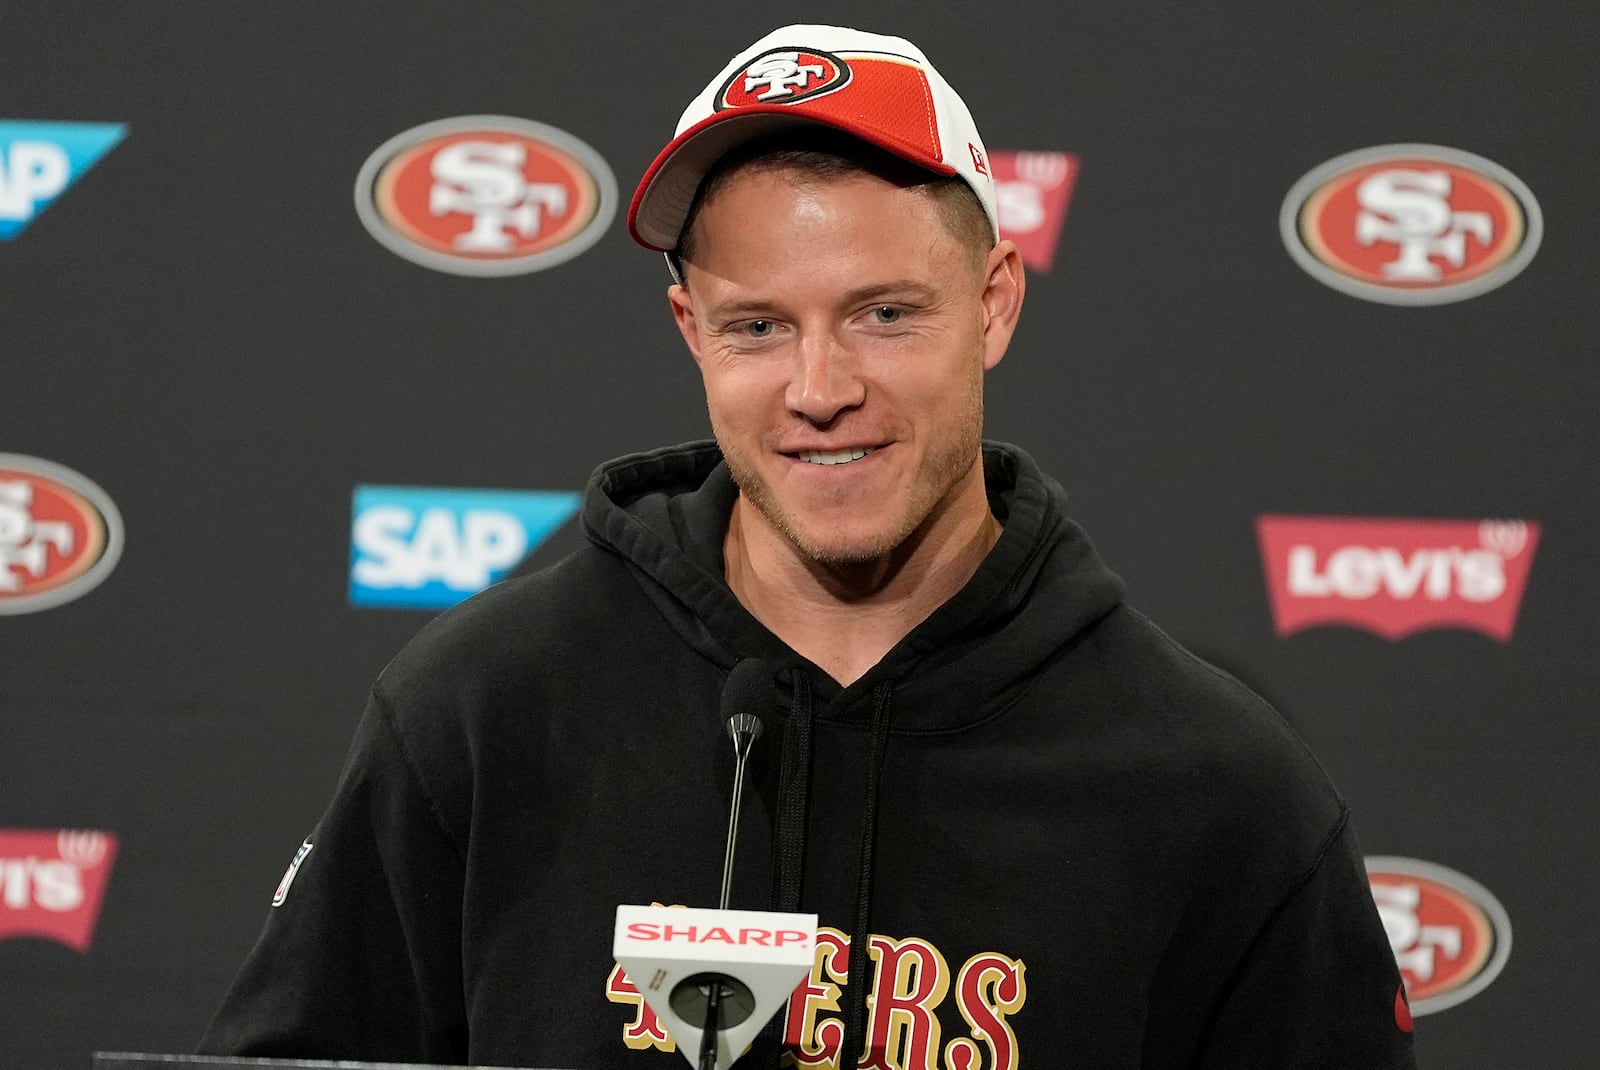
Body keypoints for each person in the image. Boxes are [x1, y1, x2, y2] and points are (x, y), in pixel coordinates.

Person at [200, 24, 1416, 1070]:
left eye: (884, 314)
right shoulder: (482, 711)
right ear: (689, 330)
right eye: (757, 326)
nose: (818, 387)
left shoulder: (1218, 787)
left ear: (993, 303)